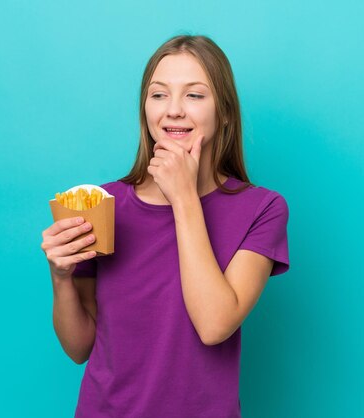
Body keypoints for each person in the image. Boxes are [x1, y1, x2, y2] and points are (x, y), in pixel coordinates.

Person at [41, 34, 290, 418]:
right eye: (159, 95)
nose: (173, 110)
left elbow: (214, 325)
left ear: (224, 111)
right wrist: (60, 277)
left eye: (194, 95)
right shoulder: (101, 204)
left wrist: (184, 197)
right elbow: (79, 348)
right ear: (145, 109)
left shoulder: (262, 208)